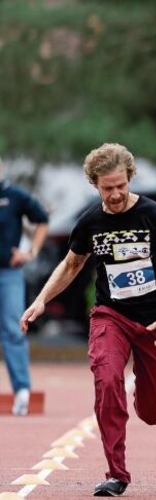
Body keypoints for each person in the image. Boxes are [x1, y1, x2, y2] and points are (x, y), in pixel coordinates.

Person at [20, 143, 156, 497]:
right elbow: (71, 264)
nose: (114, 194)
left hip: (154, 322)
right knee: (107, 378)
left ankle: (152, 396)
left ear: (130, 178)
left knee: (152, 412)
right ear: (94, 185)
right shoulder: (91, 223)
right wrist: (40, 300)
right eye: (106, 188)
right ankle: (117, 473)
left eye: (120, 186)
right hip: (110, 316)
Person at [0, 158, 49, 416]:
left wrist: (31, 252)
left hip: (8, 273)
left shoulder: (15, 196)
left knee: (12, 328)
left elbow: (42, 219)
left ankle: (21, 391)